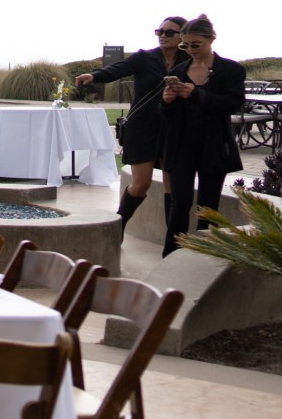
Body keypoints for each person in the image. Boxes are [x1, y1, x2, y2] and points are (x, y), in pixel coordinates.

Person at [76, 15, 187, 225]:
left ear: (183, 35)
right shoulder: (144, 57)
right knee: (140, 185)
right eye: (159, 32)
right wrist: (94, 76)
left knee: (172, 185)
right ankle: (119, 225)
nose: (163, 36)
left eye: (169, 32)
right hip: (142, 128)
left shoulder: (188, 61)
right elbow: (118, 69)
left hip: (173, 128)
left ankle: (173, 239)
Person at [160, 14, 247, 256]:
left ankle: (204, 255)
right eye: (184, 45)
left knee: (208, 206)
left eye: (195, 45)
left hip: (213, 144)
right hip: (181, 144)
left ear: (212, 39)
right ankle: (172, 255)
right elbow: (170, 113)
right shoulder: (180, 69)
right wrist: (167, 101)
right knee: (180, 203)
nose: (190, 50)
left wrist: (196, 94)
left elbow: (232, 104)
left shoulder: (230, 70)